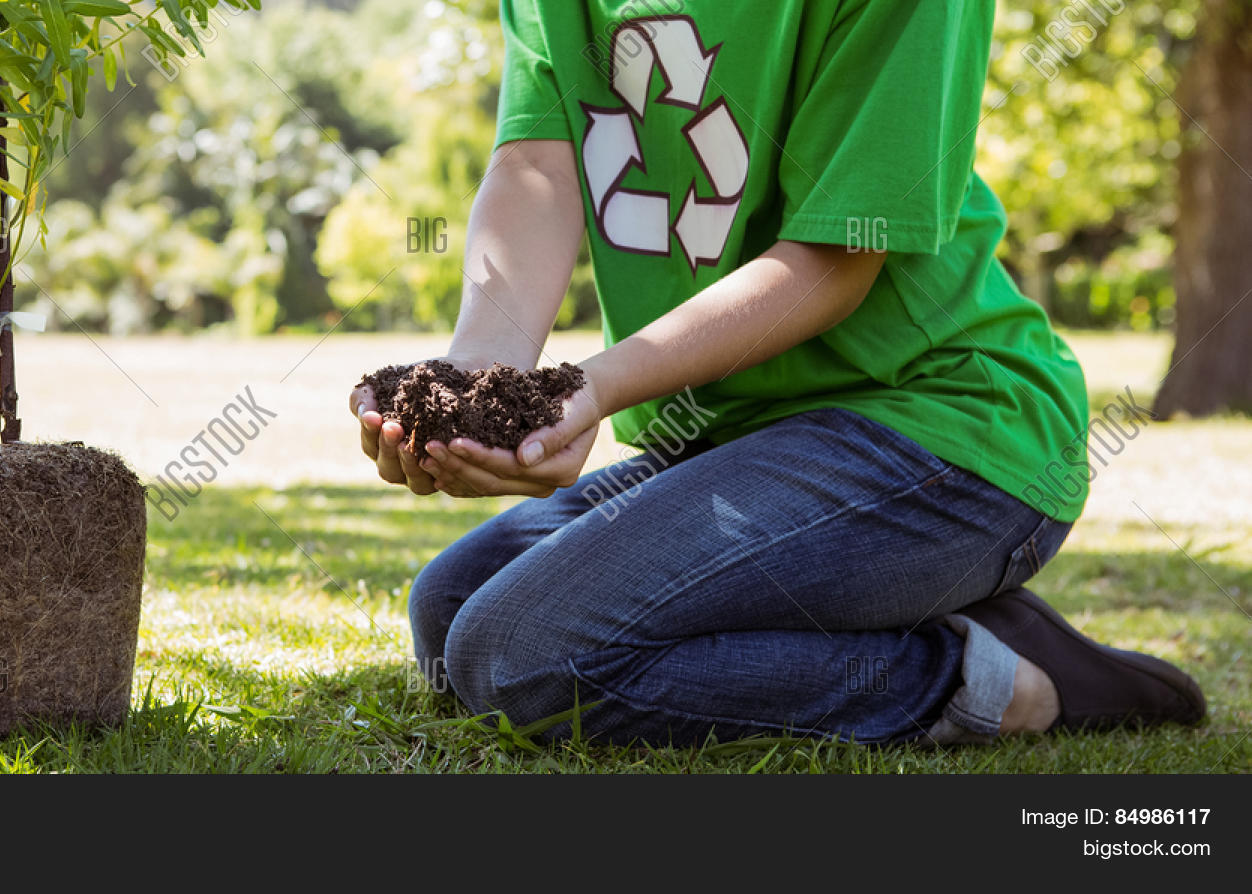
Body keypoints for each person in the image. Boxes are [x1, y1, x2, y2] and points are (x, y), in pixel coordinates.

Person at [348, 1, 1205, 745]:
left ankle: (995, 682)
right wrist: (476, 379)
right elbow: (538, 164)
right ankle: (884, 605)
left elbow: (837, 258)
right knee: (449, 610)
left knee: (521, 659)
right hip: (737, 435)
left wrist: (593, 385)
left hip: (940, 431)